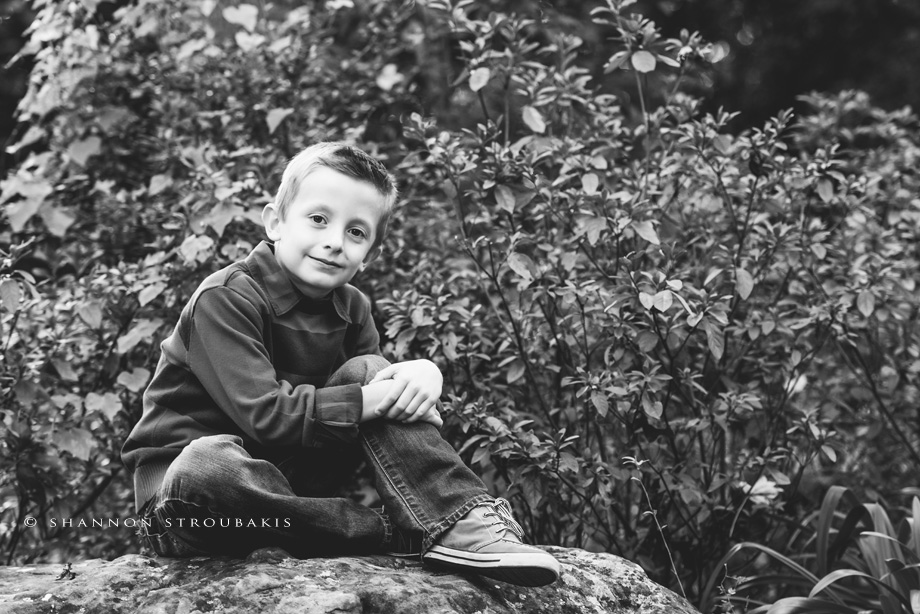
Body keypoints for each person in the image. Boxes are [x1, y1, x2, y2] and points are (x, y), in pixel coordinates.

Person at [121, 142, 561, 587]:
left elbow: (376, 404)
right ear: (275, 222)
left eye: (356, 232)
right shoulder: (227, 298)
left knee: (375, 369)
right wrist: (375, 398)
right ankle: (393, 531)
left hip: (292, 491)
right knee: (207, 462)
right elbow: (266, 416)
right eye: (318, 219)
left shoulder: (352, 308)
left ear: (369, 253)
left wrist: (422, 375)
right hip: (193, 503)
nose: (334, 241)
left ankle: (457, 521)